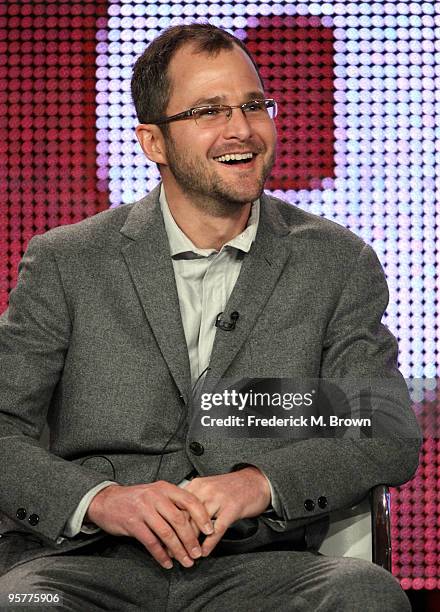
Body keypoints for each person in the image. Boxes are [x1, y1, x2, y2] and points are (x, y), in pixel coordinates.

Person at [0, 23, 420, 611]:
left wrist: (258, 483)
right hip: (88, 569)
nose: (242, 129)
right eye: (209, 111)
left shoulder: (335, 262)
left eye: (254, 105)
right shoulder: (68, 261)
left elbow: (384, 435)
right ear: (153, 142)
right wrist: (98, 499)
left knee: (363, 596)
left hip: (264, 569)